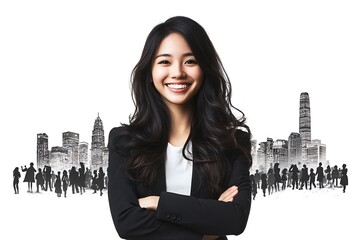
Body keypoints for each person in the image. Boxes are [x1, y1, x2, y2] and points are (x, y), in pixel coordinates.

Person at [108, 16, 252, 240]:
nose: (177, 73)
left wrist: (159, 203)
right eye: (164, 62)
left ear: (205, 69)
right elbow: (126, 222)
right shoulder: (124, 142)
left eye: (190, 61)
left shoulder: (232, 142)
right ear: (150, 72)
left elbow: (235, 218)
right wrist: (205, 231)